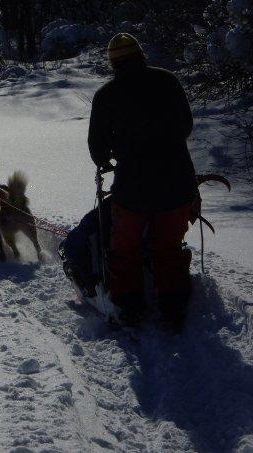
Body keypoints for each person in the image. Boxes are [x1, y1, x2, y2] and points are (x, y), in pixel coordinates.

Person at [87, 33, 198, 323]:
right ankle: (173, 305)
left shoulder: (107, 95)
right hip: (176, 181)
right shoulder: (168, 81)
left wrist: (108, 158)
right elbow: (186, 126)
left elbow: (97, 147)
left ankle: (129, 306)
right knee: (169, 247)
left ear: (113, 63)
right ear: (140, 55)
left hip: (132, 188)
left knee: (126, 249)